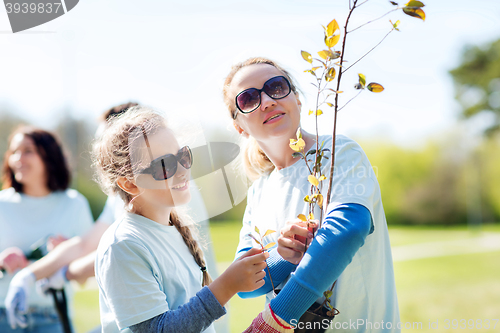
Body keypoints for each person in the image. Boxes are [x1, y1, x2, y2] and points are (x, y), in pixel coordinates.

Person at [222, 57, 399, 332]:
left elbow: (347, 230)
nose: (268, 101)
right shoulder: (258, 192)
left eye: (276, 87)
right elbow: (243, 285)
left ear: (297, 99)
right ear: (240, 126)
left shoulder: (339, 152)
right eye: (248, 99)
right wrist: (282, 256)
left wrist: (274, 320)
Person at [92, 106, 269, 332]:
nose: (183, 170)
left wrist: (281, 254)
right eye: (164, 165)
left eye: (182, 156)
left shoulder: (176, 227)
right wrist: (227, 285)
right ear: (129, 183)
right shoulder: (123, 246)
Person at [0, 126, 93, 332]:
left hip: (53, 319)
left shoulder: (75, 204)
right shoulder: (1, 204)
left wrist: (68, 254)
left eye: (28, 151)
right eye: (14, 152)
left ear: (49, 156)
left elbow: (87, 272)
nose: (18, 159)